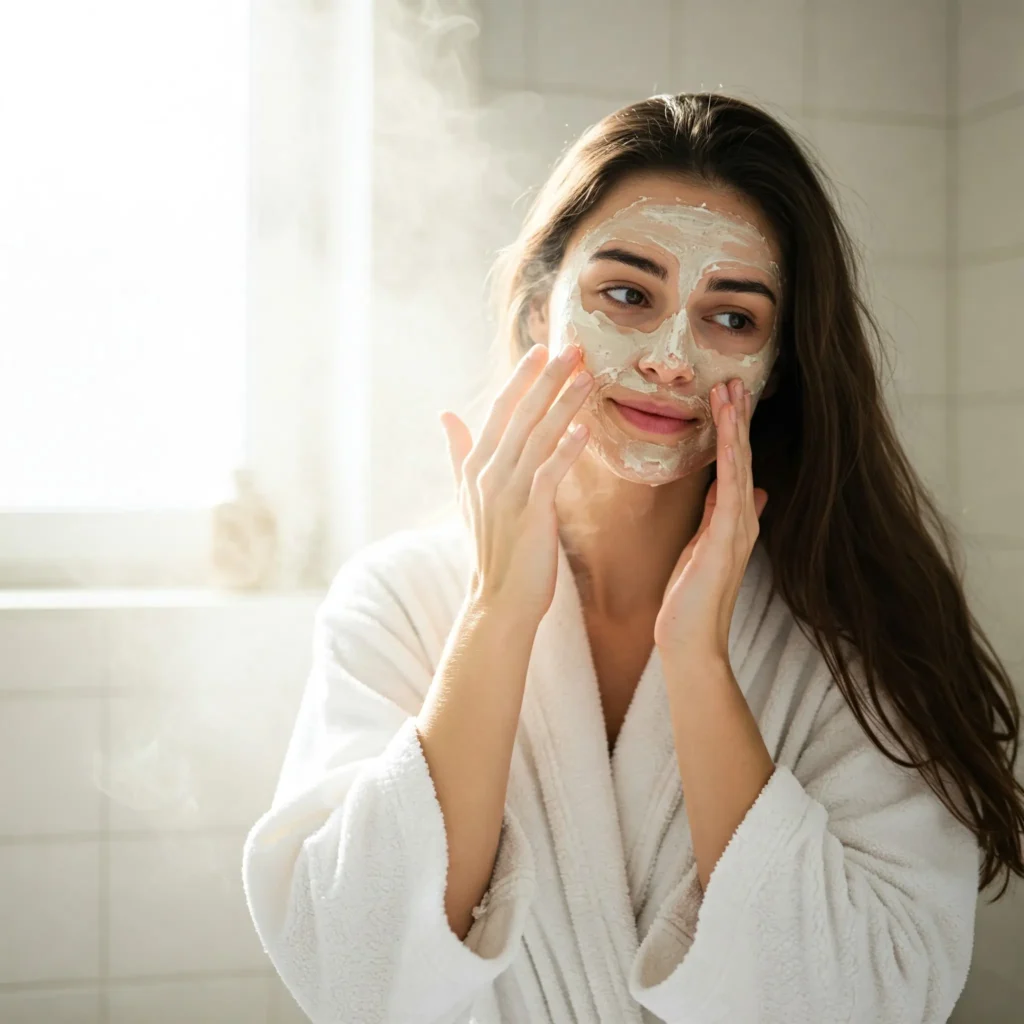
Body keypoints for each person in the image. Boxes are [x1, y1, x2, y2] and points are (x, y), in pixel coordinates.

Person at [241, 93, 1024, 1024]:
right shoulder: (399, 603)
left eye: (731, 317)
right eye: (626, 295)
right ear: (541, 313)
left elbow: (874, 999)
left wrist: (699, 664)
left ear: (782, 365)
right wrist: (497, 610)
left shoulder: (854, 634)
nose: (671, 358)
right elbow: (353, 977)